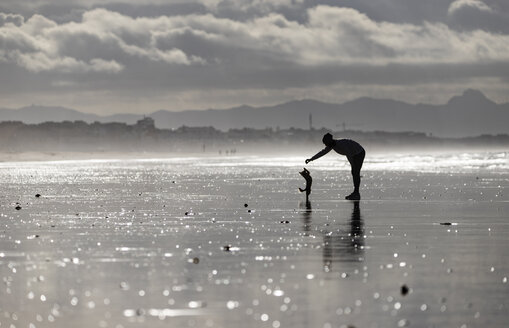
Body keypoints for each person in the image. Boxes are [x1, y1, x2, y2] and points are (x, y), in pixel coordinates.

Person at [306, 133, 365, 200]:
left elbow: (349, 154)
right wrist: (311, 159)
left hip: (359, 153)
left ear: (330, 141)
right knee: (354, 172)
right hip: (353, 154)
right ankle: (356, 192)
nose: (325, 145)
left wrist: (353, 165)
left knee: (355, 172)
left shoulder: (341, 144)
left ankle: (356, 193)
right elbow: (322, 152)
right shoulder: (331, 145)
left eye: (326, 143)